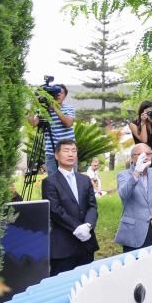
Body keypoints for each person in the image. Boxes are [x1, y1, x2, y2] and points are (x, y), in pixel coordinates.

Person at [41, 139, 98, 275]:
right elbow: (55, 210)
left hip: (86, 244)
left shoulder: (84, 180)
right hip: (63, 247)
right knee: (62, 288)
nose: (70, 154)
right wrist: (77, 227)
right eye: (66, 151)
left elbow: (92, 206)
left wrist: (88, 226)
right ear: (56, 155)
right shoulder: (49, 182)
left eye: (74, 151)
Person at [115, 143, 152, 252]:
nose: (146, 157)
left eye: (149, 154)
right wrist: (136, 173)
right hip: (134, 231)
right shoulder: (123, 175)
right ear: (133, 158)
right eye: (141, 154)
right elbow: (124, 193)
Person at [28, 82, 74, 174]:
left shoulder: (69, 108)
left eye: (61, 93)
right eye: (56, 93)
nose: (58, 95)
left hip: (68, 151)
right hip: (51, 153)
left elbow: (68, 123)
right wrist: (34, 104)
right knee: (53, 182)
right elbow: (32, 123)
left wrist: (55, 108)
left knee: (70, 181)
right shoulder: (45, 111)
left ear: (65, 96)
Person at [128, 100, 152, 166]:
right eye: (148, 112)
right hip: (139, 157)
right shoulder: (133, 124)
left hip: (150, 156)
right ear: (142, 112)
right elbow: (144, 141)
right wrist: (143, 123)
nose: (150, 114)